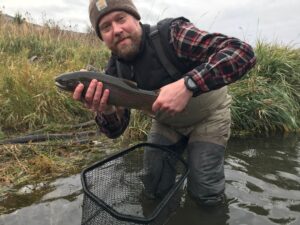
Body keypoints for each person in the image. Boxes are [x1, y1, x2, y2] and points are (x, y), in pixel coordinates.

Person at [74, 0, 256, 206]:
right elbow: (116, 131)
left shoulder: (172, 34)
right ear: (102, 38)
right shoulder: (114, 71)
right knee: (154, 185)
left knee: (205, 192)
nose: (116, 30)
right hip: (166, 122)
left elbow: (242, 52)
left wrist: (189, 84)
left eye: (121, 19)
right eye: (106, 27)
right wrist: (106, 111)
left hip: (209, 117)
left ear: (136, 18)